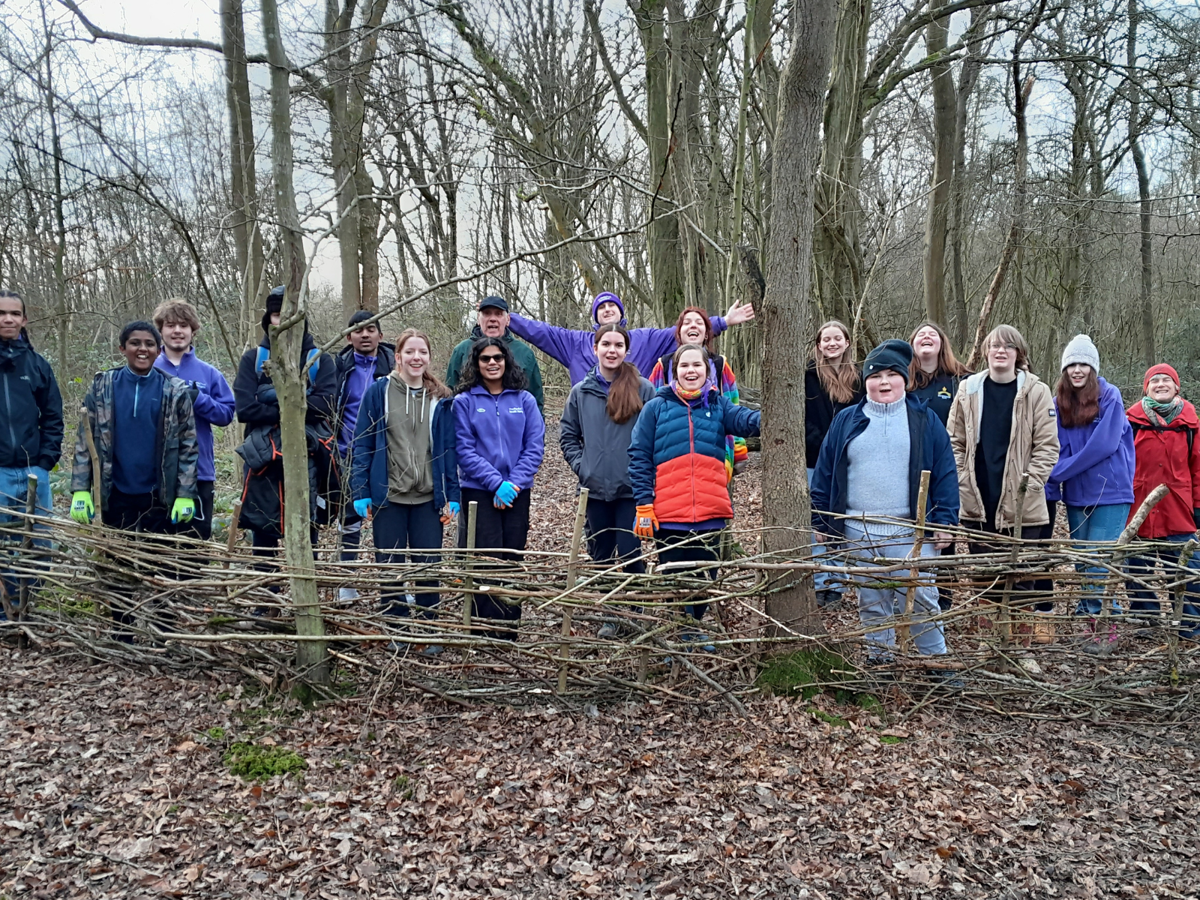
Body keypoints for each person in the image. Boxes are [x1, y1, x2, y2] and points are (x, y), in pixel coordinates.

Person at [810, 340, 959, 660]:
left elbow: (946, 471)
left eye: (892, 374)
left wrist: (945, 518)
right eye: (876, 376)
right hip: (859, 531)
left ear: (904, 378)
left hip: (910, 531)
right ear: (865, 382)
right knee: (872, 601)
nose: (884, 382)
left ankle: (937, 661)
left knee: (922, 600)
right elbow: (825, 471)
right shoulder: (846, 420)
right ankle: (881, 658)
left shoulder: (925, 420)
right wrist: (820, 518)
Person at [70, 321, 199, 640]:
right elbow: (85, 440)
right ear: (122, 348)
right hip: (116, 491)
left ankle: (163, 631)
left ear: (158, 350)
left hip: (160, 494)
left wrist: (185, 492)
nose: (142, 349)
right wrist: (80, 491)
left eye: (149, 344)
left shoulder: (175, 390)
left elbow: (188, 444)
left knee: (163, 563)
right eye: (134, 343)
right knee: (118, 564)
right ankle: (122, 632)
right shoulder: (104, 386)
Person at [628, 344, 761, 646]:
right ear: (674, 371)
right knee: (673, 579)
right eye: (684, 366)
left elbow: (746, 420)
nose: (691, 371)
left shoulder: (719, 405)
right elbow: (638, 456)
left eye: (697, 365)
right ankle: (678, 631)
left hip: (710, 512)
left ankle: (692, 628)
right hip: (669, 515)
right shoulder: (656, 407)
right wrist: (644, 505)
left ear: (707, 370)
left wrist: (776, 414)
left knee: (704, 579)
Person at [947, 324, 1060, 643]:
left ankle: (1020, 648)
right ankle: (989, 644)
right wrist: (962, 476)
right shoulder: (968, 390)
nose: (1000, 350)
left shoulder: (1036, 391)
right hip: (978, 501)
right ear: (985, 351)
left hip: (1022, 506)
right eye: (994, 345)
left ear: (1018, 354)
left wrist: (1031, 482)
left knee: (1022, 579)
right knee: (985, 577)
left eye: (1007, 346)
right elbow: (953, 439)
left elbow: (1048, 445)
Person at [351, 329, 459, 654]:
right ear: (397, 356)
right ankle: (397, 628)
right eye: (409, 351)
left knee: (428, 567)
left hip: (428, 498)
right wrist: (361, 489)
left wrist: (451, 494)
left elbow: (448, 450)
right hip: (389, 497)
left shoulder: (440, 398)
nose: (416, 358)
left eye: (422, 352)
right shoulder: (379, 392)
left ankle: (429, 630)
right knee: (391, 566)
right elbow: (362, 444)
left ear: (429, 357)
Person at [559, 325, 656, 637]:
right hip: (594, 489)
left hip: (631, 488)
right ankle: (610, 614)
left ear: (626, 350)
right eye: (606, 344)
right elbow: (567, 436)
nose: (612, 350)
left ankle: (636, 609)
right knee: (600, 553)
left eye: (618, 345)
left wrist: (645, 475)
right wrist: (583, 466)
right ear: (595, 347)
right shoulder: (581, 392)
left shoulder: (643, 389)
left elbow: (655, 436)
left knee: (629, 551)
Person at [233, 286, 338, 558]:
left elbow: (326, 405)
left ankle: (306, 594)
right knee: (262, 533)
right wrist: (299, 403)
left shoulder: (319, 360)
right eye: (279, 314)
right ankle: (266, 596)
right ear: (269, 318)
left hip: (309, 455)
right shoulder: (253, 360)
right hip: (262, 458)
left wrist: (268, 399)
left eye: (291, 314)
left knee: (308, 527)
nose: (285, 321)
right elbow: (245, 409)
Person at [453, 337, 545, 640]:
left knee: (511, 555)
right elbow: (464, 450)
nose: (492, 363)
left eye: (498, 358)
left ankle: (508, 627)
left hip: (517, 491)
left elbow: (534, 447)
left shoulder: (525, 400)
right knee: (485, 557)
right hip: (478, 490)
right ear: (476, 364)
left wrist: (514, 483)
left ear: (507, 361)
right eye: (485, 359)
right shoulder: (464, 401)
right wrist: (495, 483)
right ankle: (484, 627)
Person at [1047, 335, 1134, 624]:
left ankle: (1104, 623)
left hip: (1110, 493)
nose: (1077, 370)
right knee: (1083, 563)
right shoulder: (1058, 402)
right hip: (1076, 494)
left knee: (1098, 563)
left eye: (1084, 364)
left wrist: (1058, 472)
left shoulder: (1110, 396)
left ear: (1093, 368)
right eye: (1072, 364)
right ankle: (1090, 617)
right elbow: (1051, 443)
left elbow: (1104, 444)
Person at [509, 290, 755, 384]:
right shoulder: (575, 343)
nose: (607, 309)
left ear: (621, 313)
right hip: (593, 434)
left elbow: (685, 329)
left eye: (612, 305)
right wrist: (508, 319)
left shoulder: (645, 339)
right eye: (601, 307)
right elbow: (540, 331)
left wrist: (723, 321)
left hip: (635, 425)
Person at [1125, 364, 1200, 639]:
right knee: (1137, 569)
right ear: (1146, 388)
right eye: (1154, 380)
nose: (1160, 384)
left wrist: (1199, 506)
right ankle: (1147, 621)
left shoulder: (1191, 424)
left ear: (1176, 387)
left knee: (1184, 569)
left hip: (1178, 509)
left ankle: (1190, 625)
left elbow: (1198, 468)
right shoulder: (1131, 422)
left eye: (1166, 380)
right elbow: (1121, 465)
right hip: (1138, 509)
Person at [0, 290, 63, 615]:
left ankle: (30, 608)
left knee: (40, 545)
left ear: (24, 320)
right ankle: (5, 612)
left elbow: (53, 416)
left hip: (33, 472)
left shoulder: (37, 365)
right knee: (3, 545)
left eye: (14, 313)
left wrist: (45, 462)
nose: (7, 319)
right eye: (1, 313)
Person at [152, 299, 236, 541]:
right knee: (158, 547)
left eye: (184, 325)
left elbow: (226, 414)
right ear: (161, 331)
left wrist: (199, 399)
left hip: (200, 473)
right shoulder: (149, 369)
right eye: (170, 325)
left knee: (195, 545)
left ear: (193, 331)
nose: (177, 331)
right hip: (156, 473)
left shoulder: (209, 373)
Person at [333, 310, 396, 601]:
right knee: (350, 517)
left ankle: (395, 583)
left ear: (381, 336)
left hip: (390, 455)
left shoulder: (396, 363)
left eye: (371, 329)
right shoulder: (337, 367)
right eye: (358, 329)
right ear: (349, 337)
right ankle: (346, 582)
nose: (365, 334)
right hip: (348, 453)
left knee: (392, 518)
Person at [647, 306, 749, 479]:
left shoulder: (720, 365)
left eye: (699, 322)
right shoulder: (663, 366)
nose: (693, 326)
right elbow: (649, 413)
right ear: (679, 333)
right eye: (686, 323)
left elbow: (733, 407)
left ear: (707, 333)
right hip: (670, 457)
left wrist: (738, 450)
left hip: (716, 455)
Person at [805, 320, 864, 607]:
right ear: (818, 345)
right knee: (816, 522)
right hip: (813, 460)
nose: (831, 343)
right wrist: (821, 441)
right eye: (826, 339)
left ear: (847, 342)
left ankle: (837, 585)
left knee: (840, 521)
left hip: (848, 462)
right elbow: (802, 418)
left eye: (837, 338)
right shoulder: (808, 375)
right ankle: (819, 584)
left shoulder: (860, 378)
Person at [446, 297, 544, 416]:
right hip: (470, 429)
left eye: (498, 314)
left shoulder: (524, 353)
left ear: (507, 320)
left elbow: (536, 401)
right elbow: (449, 396)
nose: (492, 319)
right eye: (487, 314)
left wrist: (537, 431)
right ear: (478, 319)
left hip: (514, 428)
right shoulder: (461, 350)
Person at [908, 321, 970, 426]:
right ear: (912, 345)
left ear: (942, 344)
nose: (927, 337)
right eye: (921, 335)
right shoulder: (901, 380)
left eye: (932, 335)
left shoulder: (961, 381)